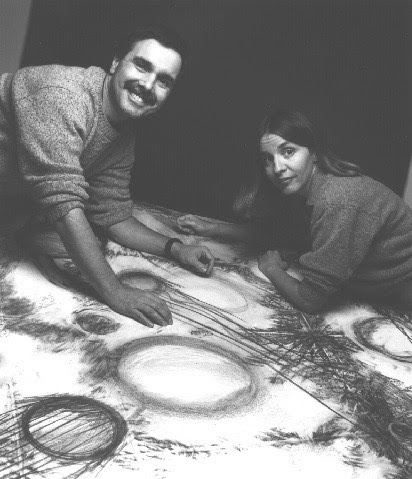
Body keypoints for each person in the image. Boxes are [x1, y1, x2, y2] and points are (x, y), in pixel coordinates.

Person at [0, 25, 214, 328]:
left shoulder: (123, 135)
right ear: (115, 63)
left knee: (61, 242)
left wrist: (177, 248)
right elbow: (63, 206)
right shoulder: (63, 96)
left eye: (164, 81)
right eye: (142, 66)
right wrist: (115, 292)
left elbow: (113, 216)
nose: (148, 84)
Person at [177, 107, 412, 313]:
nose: (278, 168)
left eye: (288, 151)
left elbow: (310, 300)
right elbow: (280, 236)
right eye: (267, 159)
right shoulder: (306, 189)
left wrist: (271, 269)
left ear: (315, 153)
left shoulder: (335, 200)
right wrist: (214, 228)